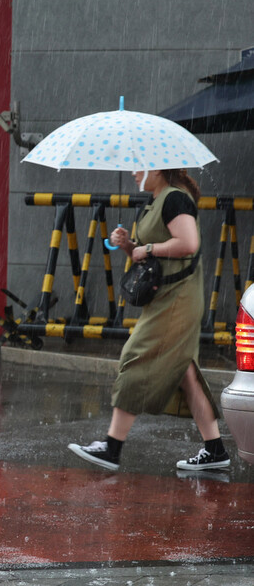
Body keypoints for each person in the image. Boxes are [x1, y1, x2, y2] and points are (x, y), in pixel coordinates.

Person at [68, 168, 230, 472]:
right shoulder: (153, 203)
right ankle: (216, 449)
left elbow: (189, 243)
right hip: (166, 298)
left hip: (177, 300)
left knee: (135, 357)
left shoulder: (175, 200)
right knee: (185, 372)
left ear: (158, 168)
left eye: (140, 166)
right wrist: (128, 244)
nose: (133, 171)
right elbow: (145, 255)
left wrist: (148, 247)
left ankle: (112, 448)